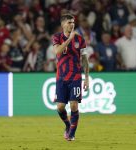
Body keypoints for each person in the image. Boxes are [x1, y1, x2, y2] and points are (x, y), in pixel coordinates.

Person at [52, 13, 89, 141]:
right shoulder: (57, 37)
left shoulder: (80, 40)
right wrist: (69, 39)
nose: (72, 24)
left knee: (74, 105)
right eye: (69, 22)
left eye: (73, 22)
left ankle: (71, 134)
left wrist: (87, 78)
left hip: (75, 76)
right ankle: (68, 125)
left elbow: (84, 60)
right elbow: (57, 51)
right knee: (60, 107)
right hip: (61, 77)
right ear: (63, 24)